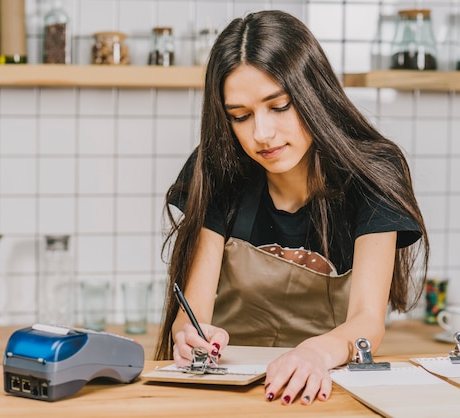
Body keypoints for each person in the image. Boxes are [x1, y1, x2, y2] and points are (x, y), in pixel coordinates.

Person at [154, 10, 429, 406]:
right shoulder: (216, 168)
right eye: (240, 116)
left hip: (326, 384)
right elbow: (191, 314)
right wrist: (189, 337)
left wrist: (314, 353)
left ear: (313, 95)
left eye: (279, 106)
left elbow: (368, 320)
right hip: (228, 390)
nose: (261, 134)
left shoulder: (372, 174)